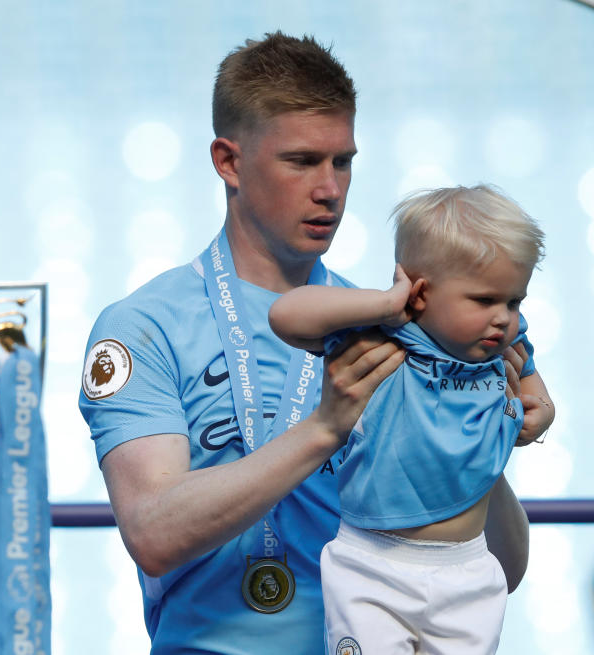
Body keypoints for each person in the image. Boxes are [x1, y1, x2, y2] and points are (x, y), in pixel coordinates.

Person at [78, 32, 552, 654]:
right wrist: (327, 427)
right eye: (301, 161)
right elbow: (154, 533)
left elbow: (504, 571)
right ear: (229, 161)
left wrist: (475, 423)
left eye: (343, 161)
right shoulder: (143, 326)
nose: (329, 189)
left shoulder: (401, 334)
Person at [268, 184, 554, 654]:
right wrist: (384, 303)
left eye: (514, 300)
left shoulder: (504, 344)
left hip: (468, 568)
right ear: (419, 293)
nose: (504, 318)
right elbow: (286, 316)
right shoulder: (387, 335)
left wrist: (541, 413)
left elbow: (533, 386)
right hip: (373, 564)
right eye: (484, 300)